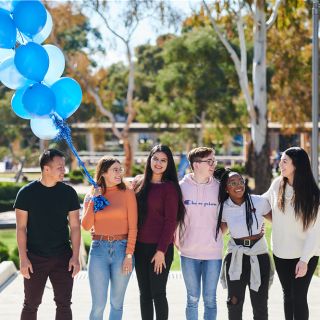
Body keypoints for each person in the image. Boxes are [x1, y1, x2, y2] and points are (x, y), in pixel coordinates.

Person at [14, 149, 81, 320]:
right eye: (59, 167)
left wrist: (75, 257)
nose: (63, 170)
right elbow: (21, 228)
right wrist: (23, 258)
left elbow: (75, 226)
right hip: (35, 258)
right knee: (30, 304)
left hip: (63, 257)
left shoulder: (69, 193)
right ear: (46, 169)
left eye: (63, 166)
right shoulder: (26, 193)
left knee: (64, 304)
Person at [263, 147, 320, 320]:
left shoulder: (312, 195)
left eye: (285, 161)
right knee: (288, 295)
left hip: (305, 255)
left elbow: (315, 232)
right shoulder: (277, 184)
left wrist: (304, 260)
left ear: (297, 165)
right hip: (281, 253)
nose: (280, 163)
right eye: (281, 160)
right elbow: (262, 203)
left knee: (299, 297)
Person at [133, 144, 185, 320]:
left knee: (158, 294)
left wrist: (161, 250)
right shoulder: (139, 183)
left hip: (160, 249)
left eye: (163, 160)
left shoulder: (169, 187)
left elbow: (171, 221)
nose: (158, 163)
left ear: (168, 164)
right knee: (144, 294)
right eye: (155, 158)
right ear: (149, 160)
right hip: (140, 247)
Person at [81, 156, 138, 320]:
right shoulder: (92, 194)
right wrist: (94, 200)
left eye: (120, 169)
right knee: (98, 305)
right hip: (98, 250)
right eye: (115, 169)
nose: (119, 172)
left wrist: (129, 255)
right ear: (103, 172)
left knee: (116, 303)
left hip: (122, 250)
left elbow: (133, 227)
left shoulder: (127, 193)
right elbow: (85, 226)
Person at [215, 169, 272, 320]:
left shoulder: (259, 202)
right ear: (226, 188)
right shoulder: (223, 207)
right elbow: (219, 231)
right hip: (236, 257)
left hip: (259, 255)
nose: (238, 185)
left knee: (260, 304)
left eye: (240, 181)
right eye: (233, 183)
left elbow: (278, 220)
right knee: (234, 302)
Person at [175, 147, 223, 320]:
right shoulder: (181, 187)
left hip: (213, 254)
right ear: (196, 165)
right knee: (192, 299)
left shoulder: (219, 188)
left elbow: (228, 216)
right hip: (188, 253)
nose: (213, 164)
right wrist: (176, 238)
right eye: (209, 161)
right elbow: (174, 217)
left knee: (210, 300)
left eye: (214, 161)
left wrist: (217, 234)